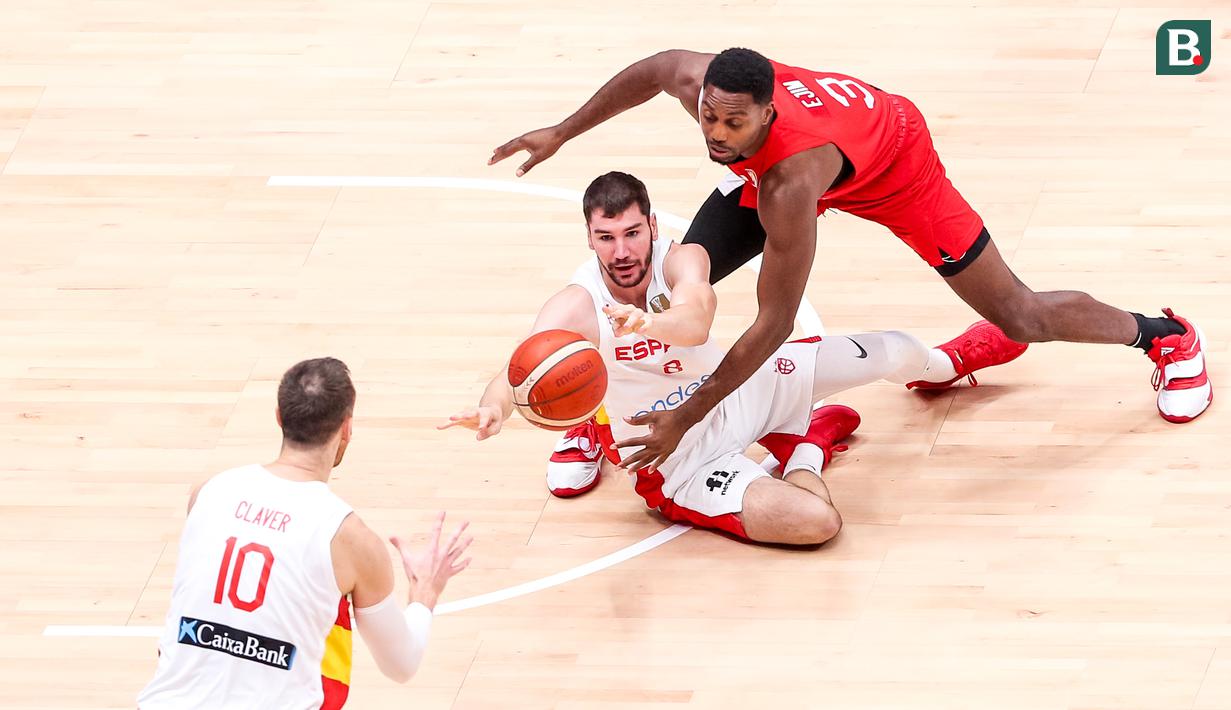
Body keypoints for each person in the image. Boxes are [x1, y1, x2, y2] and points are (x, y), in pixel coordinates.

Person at [490, 47, 1211, 479]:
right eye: (707, 115)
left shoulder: (788, 185)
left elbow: (773, 326)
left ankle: (1165, 336)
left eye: (731, 122)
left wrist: (689, 414)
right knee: (691, 262)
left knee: (1019, 312)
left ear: (767, 114)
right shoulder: (712, 96)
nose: (712, 133)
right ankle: (623, 371)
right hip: (824, 142)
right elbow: (652, 69)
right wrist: (562, 130)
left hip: (896, 165)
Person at [441, 172, 1025, 544]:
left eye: (632, 233)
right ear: (589, 239)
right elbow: (521, 364)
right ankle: (806, 445)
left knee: (895, 347)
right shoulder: (578, 303)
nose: (622, 252)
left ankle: (946, 367)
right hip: (675, 453)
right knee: (817, 524)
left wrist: (650, 321)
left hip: (739, 387)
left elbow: (695, 320)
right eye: (606, 238)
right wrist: (497, 406)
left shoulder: (682, 260)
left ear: (651, 226)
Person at [138, 357, 472, 709]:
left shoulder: (208, 492)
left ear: (280, 416)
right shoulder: (351, 539)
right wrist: (424, 594)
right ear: (347, 427)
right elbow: (401, 664)